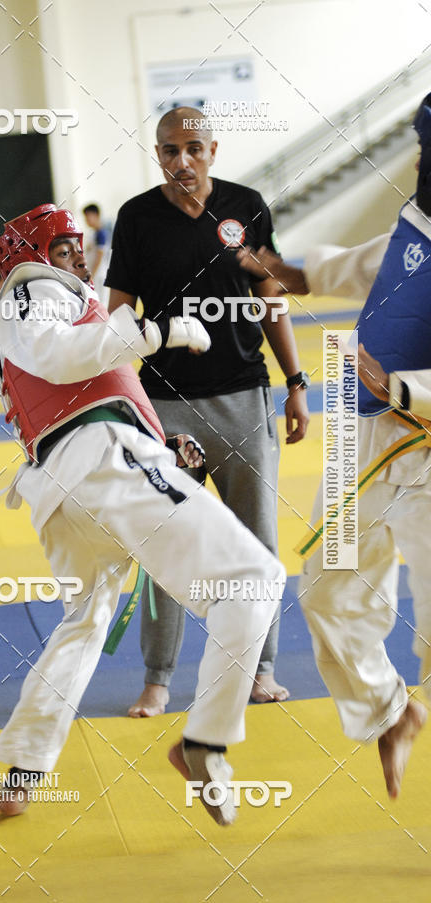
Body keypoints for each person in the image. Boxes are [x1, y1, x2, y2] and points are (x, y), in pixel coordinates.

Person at [0, 203, 286, 825]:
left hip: (73, 482)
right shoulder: (35, 291)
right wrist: (157, 331)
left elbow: (90, 383)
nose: (79, 252)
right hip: (102, 462)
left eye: (79, 242)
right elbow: (62, 357)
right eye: (64, 242)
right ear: (33, 252)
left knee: (85, 622)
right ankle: (205, 739)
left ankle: (24, 763)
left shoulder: (49, 303)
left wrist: (163, 446)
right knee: (256, 578)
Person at [237, 91, 431, 798]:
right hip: (364, 443)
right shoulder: (416, 227)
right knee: (324, 589)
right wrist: (275, 265)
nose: (418, 160)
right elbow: (356, 265)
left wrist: (403, 387)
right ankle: (389, 711)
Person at [105, 106, 309, 715]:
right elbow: (117, 317)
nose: (182, 160)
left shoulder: (247, 207)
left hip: (245, 396)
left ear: (213, 150)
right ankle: (159, 676)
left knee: (257, 542)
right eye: (170, 150)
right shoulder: (137, 218)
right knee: (167, 542)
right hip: (164, 405)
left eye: (194, 148)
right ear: (158, 154)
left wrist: (297, 382)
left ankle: (258, 667)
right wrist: (117, 400)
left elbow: (272, 299)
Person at [82, 203, 111, 298]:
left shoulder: (101, 234)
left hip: (99, 275)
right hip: (95, 274)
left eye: (88, 217)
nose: (86, 220)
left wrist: (92, 275)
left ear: (96, 215)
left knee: (101, 302)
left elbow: (100, 255)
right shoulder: (94, 234)